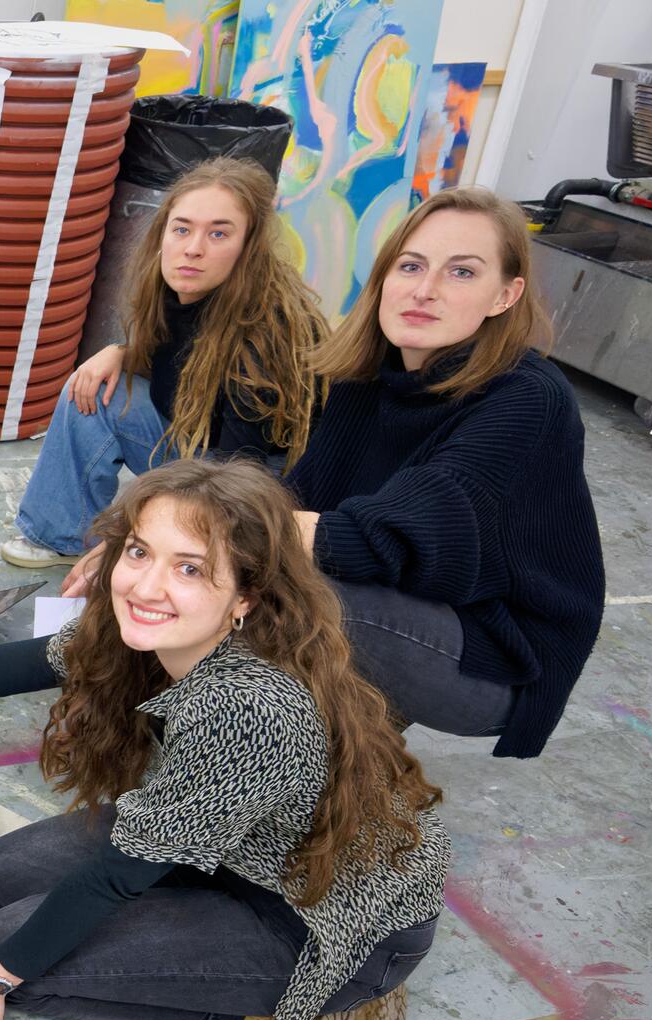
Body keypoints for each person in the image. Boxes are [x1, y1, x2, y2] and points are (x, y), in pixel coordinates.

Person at [0, 459, 449, 1020]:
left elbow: (116, 876)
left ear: (246, 596)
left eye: (189, 567)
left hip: (322, 924)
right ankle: (190, 915)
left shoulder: (250, 709)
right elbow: (17, 665)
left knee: (7, 953)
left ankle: (321, 1007)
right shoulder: (157, 627)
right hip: (235, 845)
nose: (145, 585)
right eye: (139, 552)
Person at [64, 189, 604, 758]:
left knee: (288, 594)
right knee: (222, 572)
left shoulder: (528, 398)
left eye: (462, 272)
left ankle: (245, 756)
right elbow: (297, 491)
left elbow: (396, 538)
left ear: (505, 295)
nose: (425, 290)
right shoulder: (368, 373)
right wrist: (148, 546)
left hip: (495, 654)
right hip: (403, 599)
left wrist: (177, 541)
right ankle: (248, 740)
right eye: (411, 266)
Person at [2, 157, 325, 569]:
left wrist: (136, 541)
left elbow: (239, 474)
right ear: (163, 232)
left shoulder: (263, 337)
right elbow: (175, 367)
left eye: (219, 233)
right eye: (182, 228)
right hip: (200, 444)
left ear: (249, 247)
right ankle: (61, 535)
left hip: (256, 487)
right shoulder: (183, 290)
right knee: (95, 387)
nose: (193, 247)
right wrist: (121, 352)